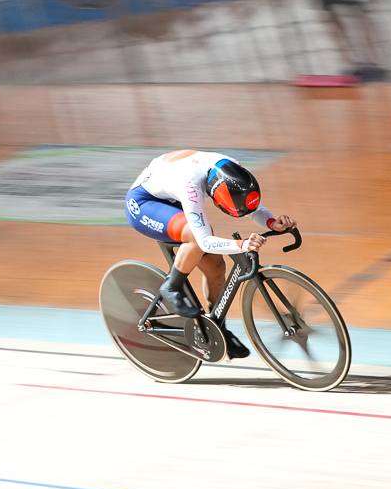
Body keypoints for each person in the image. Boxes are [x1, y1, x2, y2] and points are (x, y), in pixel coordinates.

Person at [126, 151, 295, 358]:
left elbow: (251, 207)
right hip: (145, 203)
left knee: (217, 267)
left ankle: (216, 326)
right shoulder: (191, 186)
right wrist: (243, 244)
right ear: (216, 201)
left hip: (171, 192)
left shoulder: (232, 170)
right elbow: (205, 241)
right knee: (196, 237)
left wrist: (271, 222)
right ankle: (172, 286)